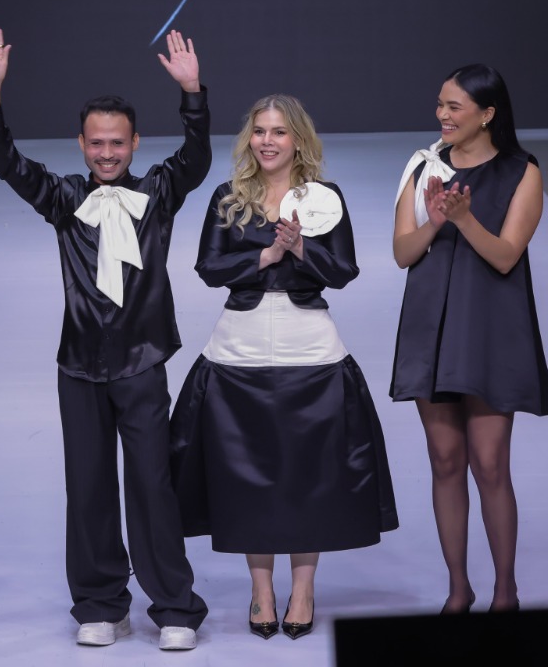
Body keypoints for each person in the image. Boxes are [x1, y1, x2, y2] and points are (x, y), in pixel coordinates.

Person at [0, 25, 209, 651]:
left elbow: (197, 159)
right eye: (97, 143)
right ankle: (101, 602)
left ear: (135, 143)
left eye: (118, 142)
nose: (107, 153)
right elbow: (5, 163)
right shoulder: (63, 198)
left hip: (142, 361)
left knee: (152, 484)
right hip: (79, 365)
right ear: (81, 144)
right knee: (88, 487)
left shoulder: (158, 192)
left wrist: (192, 93)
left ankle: (175, 605)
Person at [168, 94, 396, 641]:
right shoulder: (228, 196)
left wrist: (298, 251)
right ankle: (262, 590)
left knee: (308, 477)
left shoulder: (324, 198)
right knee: (246, 475)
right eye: (259, 131)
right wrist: (264, 256)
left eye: (278, 132)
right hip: (238, 351)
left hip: (309, 351)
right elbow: (208, 267)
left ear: (299, 140)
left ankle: (303, 590)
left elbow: (343, 270)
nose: (267, 141)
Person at [390, 63, 548, 614]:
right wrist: (436, 221)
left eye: (454, 106)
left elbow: (507, 256)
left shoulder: (521, 171)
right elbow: (403, 253)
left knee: (489, 464)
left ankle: (505, 591)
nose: (442, 114)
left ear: (487, 114)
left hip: (489, 325)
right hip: (431, 323)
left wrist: (463, 219)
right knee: (444, 460)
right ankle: (458, 588)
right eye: (440, 103)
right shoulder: (424, 167)